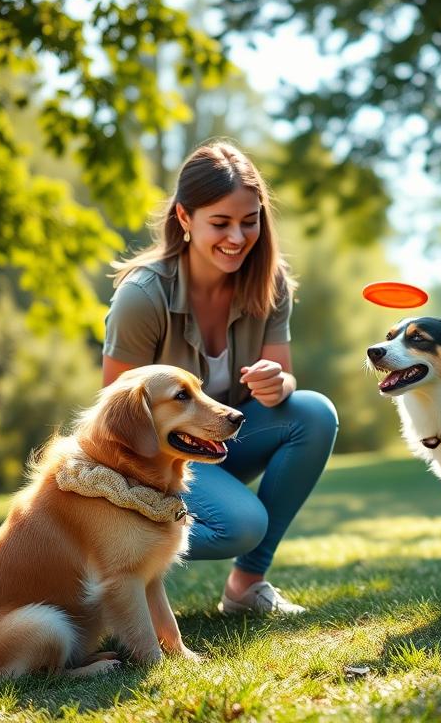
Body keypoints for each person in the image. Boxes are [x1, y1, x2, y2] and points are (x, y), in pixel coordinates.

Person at [103, 141, 338, 614]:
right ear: (185, 218)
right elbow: (113, 417)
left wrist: (279, 382)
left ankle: (245, 588)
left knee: (314, 412)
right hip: (151, 463)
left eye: (249, 221)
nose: (238, 237)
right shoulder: (143, 296)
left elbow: (285, 385)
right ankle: (110, 564)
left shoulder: (268, 283)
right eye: (221, 222)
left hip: (220, 442)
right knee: (242, 524)